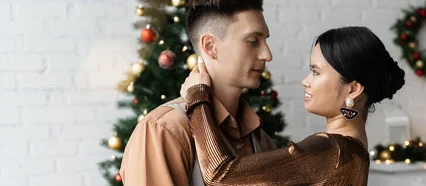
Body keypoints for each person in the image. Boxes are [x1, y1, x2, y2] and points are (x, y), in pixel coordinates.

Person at [181, 26, 406, 185]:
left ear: (354, 89)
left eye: (316, 72)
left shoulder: (330, 151)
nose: (305, 80)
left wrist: (197, 96)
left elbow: (220, 175)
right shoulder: (356, 149)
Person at [119, 0, 277, 185]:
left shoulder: (259, 138)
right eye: (252, 42)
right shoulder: (164, 130)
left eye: (265, 40)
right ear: (210, 46)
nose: (267, 54)